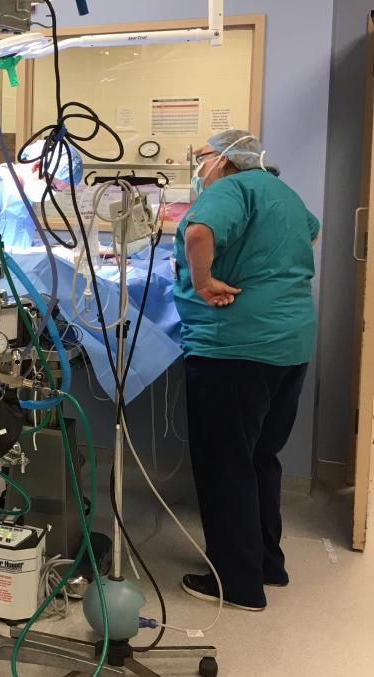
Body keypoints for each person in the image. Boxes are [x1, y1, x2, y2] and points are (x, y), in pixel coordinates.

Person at [175, 129, 318, 612]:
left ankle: (236, 582)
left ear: (226, 159)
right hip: (290, 343)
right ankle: (266, 565)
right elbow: (311, 231)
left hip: (235, 347)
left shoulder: (231, 190)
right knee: (261, 457)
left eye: (202, 157)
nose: (197, 166)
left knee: (225, 462)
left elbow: (198, 232)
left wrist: (202, 280)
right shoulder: (283, 192)